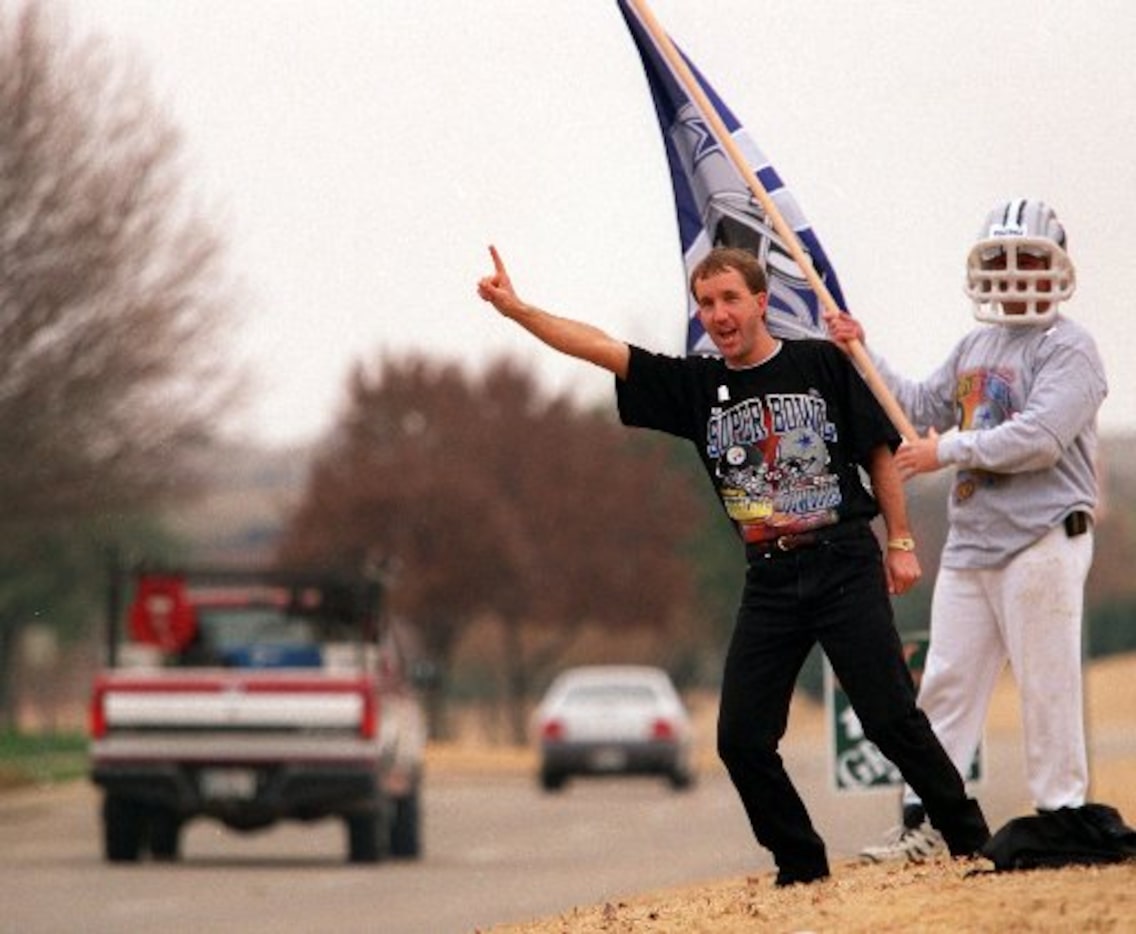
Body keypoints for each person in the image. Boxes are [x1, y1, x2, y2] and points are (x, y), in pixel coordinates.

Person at [477, 244, 989, 886]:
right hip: (770, 577)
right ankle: (801, 864)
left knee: (889, 716)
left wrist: (902, 541)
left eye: (730, 299)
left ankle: (971, 839)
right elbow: (600, 347)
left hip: (841, 558)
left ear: (761, 302)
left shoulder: (820, 363)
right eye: (706, 303)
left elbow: (879, 454)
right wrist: (517, 309)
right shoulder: (695, 387)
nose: (718, 314)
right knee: (741, 738)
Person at [825, 199, 1108, 862]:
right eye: (1001, 261)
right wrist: (859, 351)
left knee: (1047, 682)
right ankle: (929, 820)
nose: (1014, 274)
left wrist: (947, 452)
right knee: (945, 685)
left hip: (1041, 537)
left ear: (1056, 266)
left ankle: (1061, 817)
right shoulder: (975, 345)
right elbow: (918, 407)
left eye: (1029, 259)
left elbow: (1038, 438)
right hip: (973, 540)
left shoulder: (1071, 348)